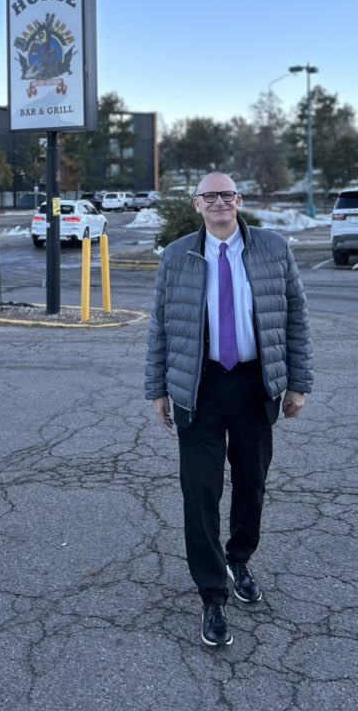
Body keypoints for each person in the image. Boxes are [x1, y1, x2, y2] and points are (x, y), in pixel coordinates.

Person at [145, 172, 314, 647]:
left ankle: (238, 557)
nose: (219, 202)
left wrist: (298, 384)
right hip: (197, 387)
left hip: (253, 385)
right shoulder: (178, 255)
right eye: (209, 196)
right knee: (199, 493)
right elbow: (160, 326)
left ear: (239, 201)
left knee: (251, 483)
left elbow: (296, 318)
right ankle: (212, 595)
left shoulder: (272, 248)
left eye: (227, 194)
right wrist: (157, 389)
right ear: (197, 205)